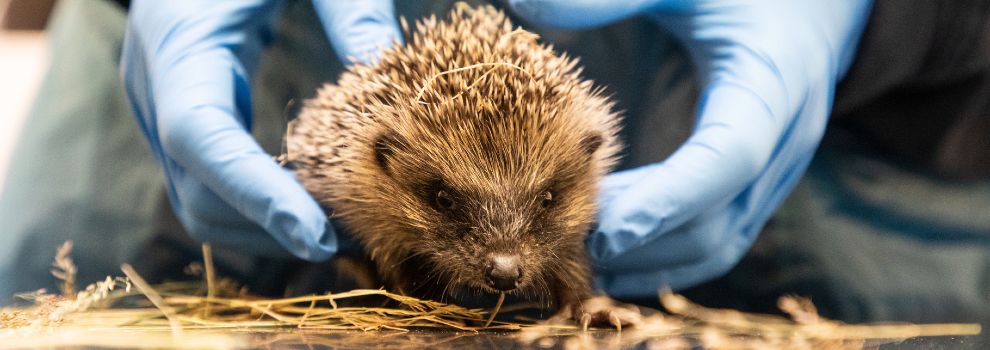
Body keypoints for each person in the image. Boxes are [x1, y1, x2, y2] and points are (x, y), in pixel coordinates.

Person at [1, 0, 987, 325]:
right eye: (444, 201)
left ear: (589, 162)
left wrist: (891, 10)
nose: (511, 253)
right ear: (386, 165)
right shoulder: (373, 151)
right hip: (266, 62)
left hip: (859, 171)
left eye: (548, 200)